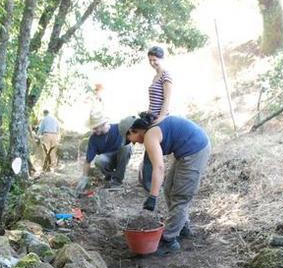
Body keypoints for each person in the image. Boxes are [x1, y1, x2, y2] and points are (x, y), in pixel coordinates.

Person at [125, 112, 210, 254]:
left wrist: (152, 196)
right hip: (185, 152)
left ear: (133, 130)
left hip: (196, 150)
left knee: (180, 197)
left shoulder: (150, 136)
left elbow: (158, 167)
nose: (134, 143)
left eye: (131, 140)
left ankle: (169, 240)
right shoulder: (152, 127)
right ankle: (182, 226)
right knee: (169, 189)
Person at [140, 45, 174, 192]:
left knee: (153, 152)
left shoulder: (166, 75)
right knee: (148, 151)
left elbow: (167, 99)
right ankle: (147, 182)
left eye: (155, 60)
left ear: (161, 58)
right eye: (150, 60)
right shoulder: (155, 76)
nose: (152, 62)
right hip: (151, 117)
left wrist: (161, 117)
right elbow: (153, 100)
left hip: (160, 119)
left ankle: (152, 185)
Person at [75, 114, 135, 192]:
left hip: (120, 156)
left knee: (127, 148)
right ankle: (109, 176)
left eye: (96, 128)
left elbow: (132, 138)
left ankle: (117, 181)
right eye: (93, 128)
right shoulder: (93, 139)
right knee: (98, 160)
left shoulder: (119, 128)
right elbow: (88, 161)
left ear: (103, 124)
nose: (94, 130)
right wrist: (84, 177)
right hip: (107, 160)